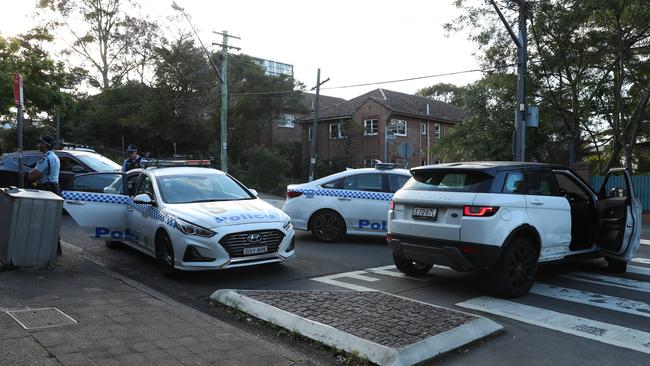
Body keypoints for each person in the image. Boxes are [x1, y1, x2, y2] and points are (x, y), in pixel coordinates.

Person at [27, 135, 62, 255]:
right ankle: (56, 250)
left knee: (44, 221)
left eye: (40, 143)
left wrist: (29, 173)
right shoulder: (54, 157)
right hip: (54, 189)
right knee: (52, 221)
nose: (39, 145)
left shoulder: (46, 158)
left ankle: (49, 250)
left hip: (47, 190)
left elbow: (32, 176)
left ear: (45, 145)